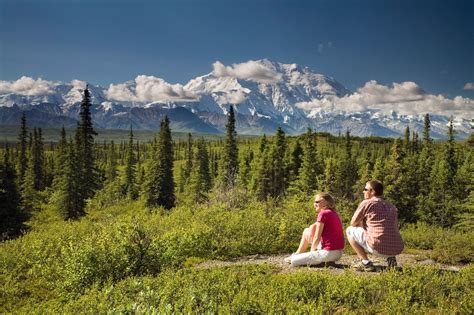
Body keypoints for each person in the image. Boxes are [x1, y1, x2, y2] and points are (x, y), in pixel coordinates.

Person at [346, 180, 404, 271]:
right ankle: (391, 260)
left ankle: (365, 262)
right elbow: (395, 226)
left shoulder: (367, 203)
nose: (363, 191)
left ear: (372, 191)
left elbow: (353, 223)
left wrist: (362, 224)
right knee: (388, 229)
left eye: (365, 189)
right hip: (396, 248)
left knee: (349, 230)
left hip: (377, 247)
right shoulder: (391, 206)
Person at [285, 192, 344, 267]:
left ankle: (320, 261)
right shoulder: (333, 213)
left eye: (317, 202)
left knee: (294, 260)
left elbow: (317, 237)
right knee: (306, 231)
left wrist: (311, 253)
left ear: (324, 202)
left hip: (328, 253)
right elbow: (314, 228)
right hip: (338, 253)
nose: (314, 204)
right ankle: (298, 253)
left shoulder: (323, 214)